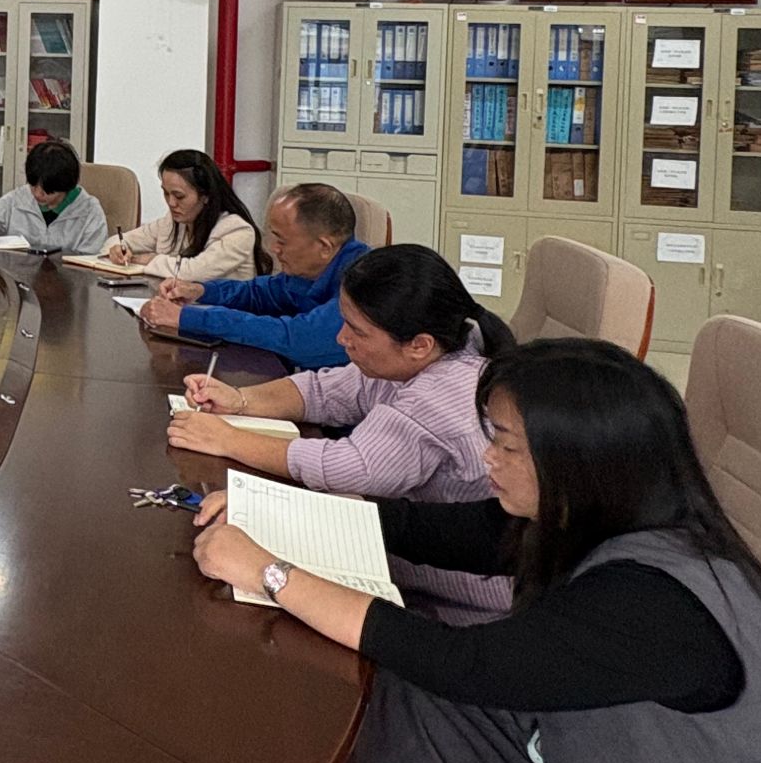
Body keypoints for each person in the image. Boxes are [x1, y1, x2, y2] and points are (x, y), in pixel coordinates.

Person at [190, 339, 761, 763]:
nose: (487, 457)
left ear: (577, 463)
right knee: (397, 700)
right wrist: (276, 513)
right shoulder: (587, 517)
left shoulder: (652, 604)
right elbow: (427, 529)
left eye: (505, 444)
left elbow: (463, 663)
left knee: (418, 684)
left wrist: (270, 573)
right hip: (588, 755)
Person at [167, 244, 515, 616]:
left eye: (356, 331)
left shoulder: (444, 393)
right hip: (400, 546)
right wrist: (240, 400)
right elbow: (325, 390)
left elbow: (347, 466)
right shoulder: (433, 352)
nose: (341, 338)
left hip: (455, 596)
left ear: (419, 345)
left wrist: (228, 439)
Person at [136, 183, 364, 370]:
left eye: (282, 241)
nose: (274, 249)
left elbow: (297, 340)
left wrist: (188, 317)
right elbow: (259, 293)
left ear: (324, 246)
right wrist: (201, 291)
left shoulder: (365, 286)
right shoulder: (313, 268)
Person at [102, 148, 269, 281]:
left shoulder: (237, 231)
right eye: (166, 193)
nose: (171, 203)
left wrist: (151, 259)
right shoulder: (172, 222)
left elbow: (195, 272)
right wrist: (118, 250)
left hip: (222, 311)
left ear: (205, 196)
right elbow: (117, 240)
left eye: (179, 196)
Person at [0, 138, 109, 255]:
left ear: (66, 187)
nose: (37, 194)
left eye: (47, 191)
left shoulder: (89, 211)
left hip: (68, 283)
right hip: (18, 280)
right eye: (33, 185)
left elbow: (92, 262)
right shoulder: (17, 199)